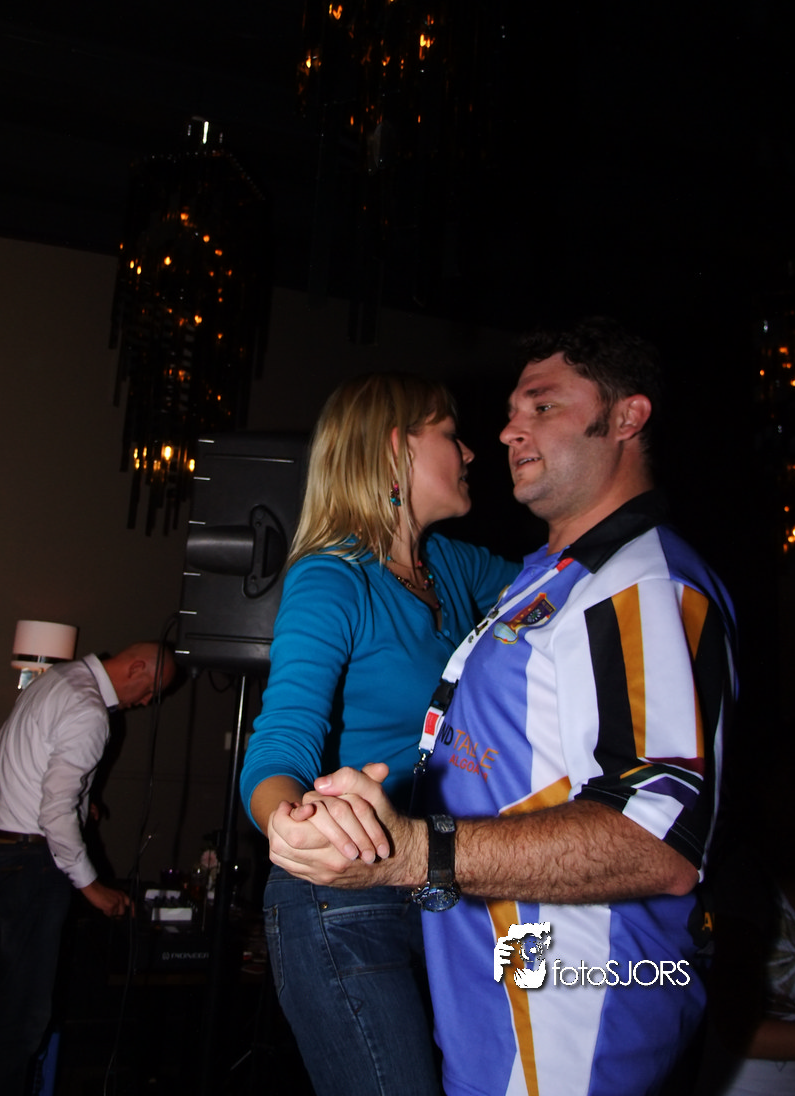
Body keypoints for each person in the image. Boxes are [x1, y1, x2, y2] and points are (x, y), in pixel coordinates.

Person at [269, 320, 738, 1096]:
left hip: (559, 999)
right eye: (507, 413)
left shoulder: (635, 584)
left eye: (542, 407)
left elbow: (656, 838)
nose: (503, 433)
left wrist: (419, 853)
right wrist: (298, 826)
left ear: (626, 417)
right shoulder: (537, 582)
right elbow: (282, 738)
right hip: (462, 960)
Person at [239, 373, 520, 1096]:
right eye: (450, 434)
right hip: (342, 895)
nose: (470, 452)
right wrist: (288, 821)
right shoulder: (332, 578)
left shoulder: (452, 564)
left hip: (439, 882)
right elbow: (280, 741)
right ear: (399, 449)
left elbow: (566, 590)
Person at [0, 641, 177, 1096]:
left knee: (5, 998)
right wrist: (92, 888)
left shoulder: (55, 680)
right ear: (136, 668)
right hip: (27, 865)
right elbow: (54, 813)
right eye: (151, 692)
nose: (146, 702)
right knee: (23, 1014)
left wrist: (82, 801)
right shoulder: (89, 711)